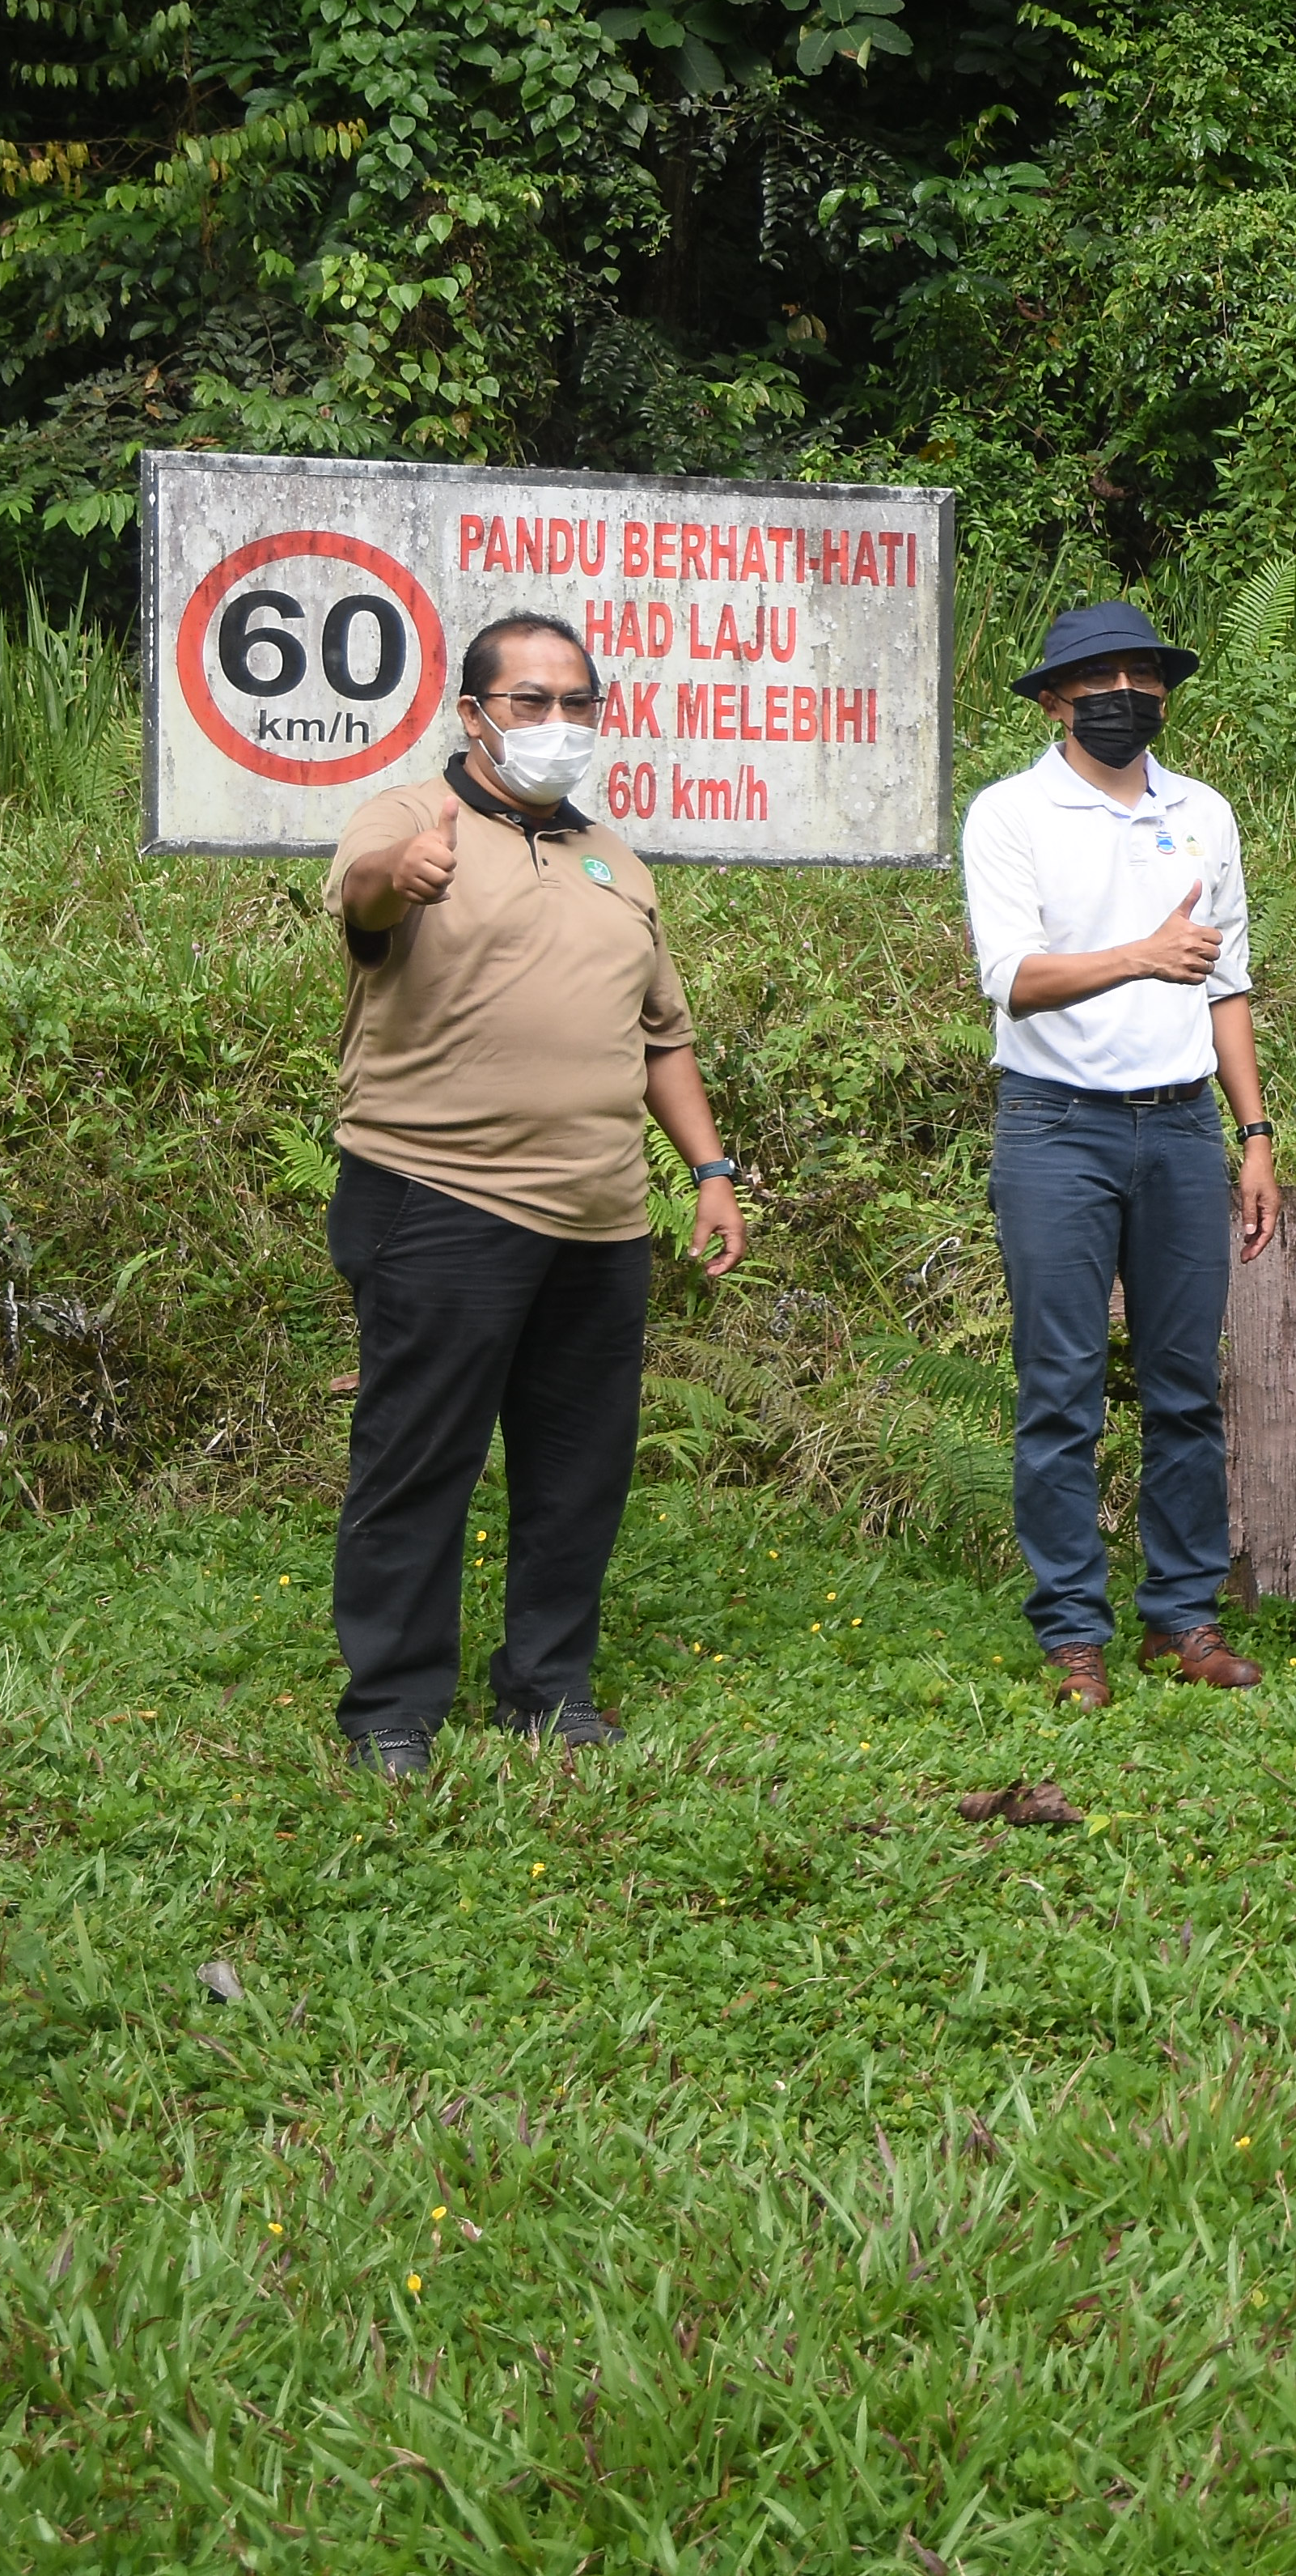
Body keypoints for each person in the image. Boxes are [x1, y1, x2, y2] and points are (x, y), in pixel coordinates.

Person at [320, 613, 747, 1777]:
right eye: (529, 702)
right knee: (420, 1459)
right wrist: (398, 882)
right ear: (473, 715)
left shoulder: (615, 858)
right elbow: (362, 898)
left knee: (577, 1466)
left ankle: (547, 1689)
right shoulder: (413, 820)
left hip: (601, 1216)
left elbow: (664, 1036)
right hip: (437, 1194)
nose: (557, 725)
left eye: (576, 704)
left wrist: (708, 1172)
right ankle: (393, 1710)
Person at [965, 599, 1284, 1710]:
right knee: (1061, 1390)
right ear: (1053, 698)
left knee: (1186, 1387)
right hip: (1057, 1125)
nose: (1125, 695)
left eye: (1144, 676)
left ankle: (1183, 1622)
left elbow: (1230, 985)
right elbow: (1013, 975)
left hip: (1186, 1123)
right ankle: (1072, 1636)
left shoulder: (1205, 812)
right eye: (1098, 678)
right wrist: (1142, 956)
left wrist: (1254, 1134)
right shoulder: (1010, 815)